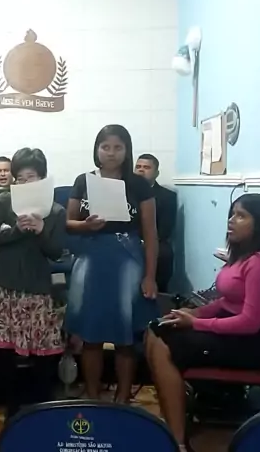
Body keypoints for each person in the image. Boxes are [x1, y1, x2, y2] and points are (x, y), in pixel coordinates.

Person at [146, 194, 260, 451]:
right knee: (156, 328)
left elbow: (250, 323)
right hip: (239, 333)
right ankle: (172, 420)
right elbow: (228, 302)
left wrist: (195, 324)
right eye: (232, 214)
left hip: (258, 344)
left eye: (241, 216)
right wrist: (195, 313)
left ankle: (177, 442)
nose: (231, 221)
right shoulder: (243, 256)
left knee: (163, 343)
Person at [64, 124, 159, 403]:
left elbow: (151, 234)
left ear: (127, 151)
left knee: (124, 335)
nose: (111, 153)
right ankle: (93, 397)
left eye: (118, 147)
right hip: (91, 258)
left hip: (127, 260)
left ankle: (122, 398)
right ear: (97, 150)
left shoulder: (138, 184)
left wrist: (150, 276)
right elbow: (68, 223)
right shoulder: (84, 181)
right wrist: (86, 225)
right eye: (105, 147)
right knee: (90, 335)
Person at [0, 147, 67, 419]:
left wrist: (40, 231)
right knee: (1, 348)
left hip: (35, 285)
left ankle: (41, 405)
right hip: (1, 281)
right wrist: (16, 230)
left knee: (42, 348)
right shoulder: (5, 200)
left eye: (32, 177)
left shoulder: (55, 210)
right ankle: (11, 405)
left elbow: (56, 251)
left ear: (43, 178)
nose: (26, 182)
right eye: (21, 178)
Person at [135, 153, 177, 293]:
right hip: (128, 239)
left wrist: (143, 242)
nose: (141, 170)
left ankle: (159, 294)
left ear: (156, 173)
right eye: (138, 167)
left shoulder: (167, 196)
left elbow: (165, 230)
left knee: (164, 253)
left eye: (146, 167)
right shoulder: (123, 192)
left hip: (154, 240)